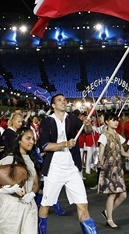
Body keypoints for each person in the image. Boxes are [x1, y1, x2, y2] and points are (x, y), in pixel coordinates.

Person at [36, 93, 98, 234]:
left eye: (65, 100)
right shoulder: (47, 121)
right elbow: (45, 146)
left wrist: (87, 126)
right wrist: (65, 144)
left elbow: (87, 132)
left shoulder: (72, 119)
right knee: (45, 205)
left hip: (72, 168)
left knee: (83, 204)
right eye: (59, 100)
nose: (63, 102)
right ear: (53, 105)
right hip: (54, 168)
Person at [0, 126, 39, 234]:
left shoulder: (31, 160)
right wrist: (9, 190)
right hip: (10, 206)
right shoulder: (8, 160)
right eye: (28, 138)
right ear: (19, 140)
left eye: (33, 138)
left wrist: (32, 194)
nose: (32, 142)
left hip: (28, 206)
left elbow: (36, 183)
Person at [96, 113, 129, 229]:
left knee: (123, 195)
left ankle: (107, 212)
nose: (116, 122)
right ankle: (109, 219)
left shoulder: (118, 136)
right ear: (107, 122)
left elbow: (123, 153)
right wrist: (100, 161)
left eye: (116, 120)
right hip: (109, 168)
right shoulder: (104, 136)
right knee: (112, 194)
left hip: (118, 168)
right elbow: (101, 153)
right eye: (113, 120)